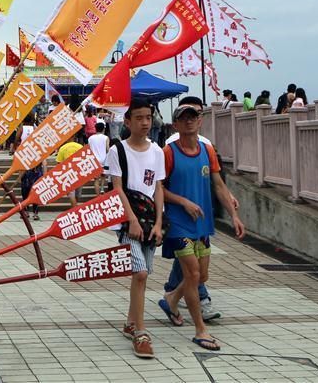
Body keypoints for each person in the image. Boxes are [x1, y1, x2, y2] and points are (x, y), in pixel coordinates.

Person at [159, 104, 245, 352]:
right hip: (178, 224)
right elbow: (159, 189)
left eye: (193, 118)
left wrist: (234, 216)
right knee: (194, 275)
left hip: (202, 224)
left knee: (201, 277)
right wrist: (183, 202)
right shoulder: (169, 152)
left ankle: (171, 299)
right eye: (183, 118)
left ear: (200, 122)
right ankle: (200, 330)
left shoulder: (207, 151)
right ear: (175, 124)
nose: (189, 122)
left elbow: (218, 185)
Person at [106, 99, 164, 359]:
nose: (145, 123)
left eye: (148, 118)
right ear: (127, 122)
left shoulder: (157, 151)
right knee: (140, 273)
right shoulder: (117, 150)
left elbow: (159, 188)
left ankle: (130, 322)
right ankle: (141, 333)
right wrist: (130, 219)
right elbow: (117, 188)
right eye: (139, 118)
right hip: (128, 222)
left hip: (151, 221)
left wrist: (160, 222)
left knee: (143, 275)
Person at [56, 135, 84, 207]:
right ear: (74, 137)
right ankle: (74, 207)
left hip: (68, 173)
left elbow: (59, 163)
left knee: (71, 193)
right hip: (80, 172)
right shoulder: (80, 146)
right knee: (77, 194)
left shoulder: (62, 148)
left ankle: (74, 208)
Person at [88, 122, 110, 196]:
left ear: (95, 128)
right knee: (103, 175)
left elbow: (89, 149)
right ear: (103, 129)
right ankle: (102, 188)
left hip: (94, 160)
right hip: (104, 159)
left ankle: (98, 196)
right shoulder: (106, 137)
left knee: (96, 179)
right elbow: (107, 149)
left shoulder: (90, 138)